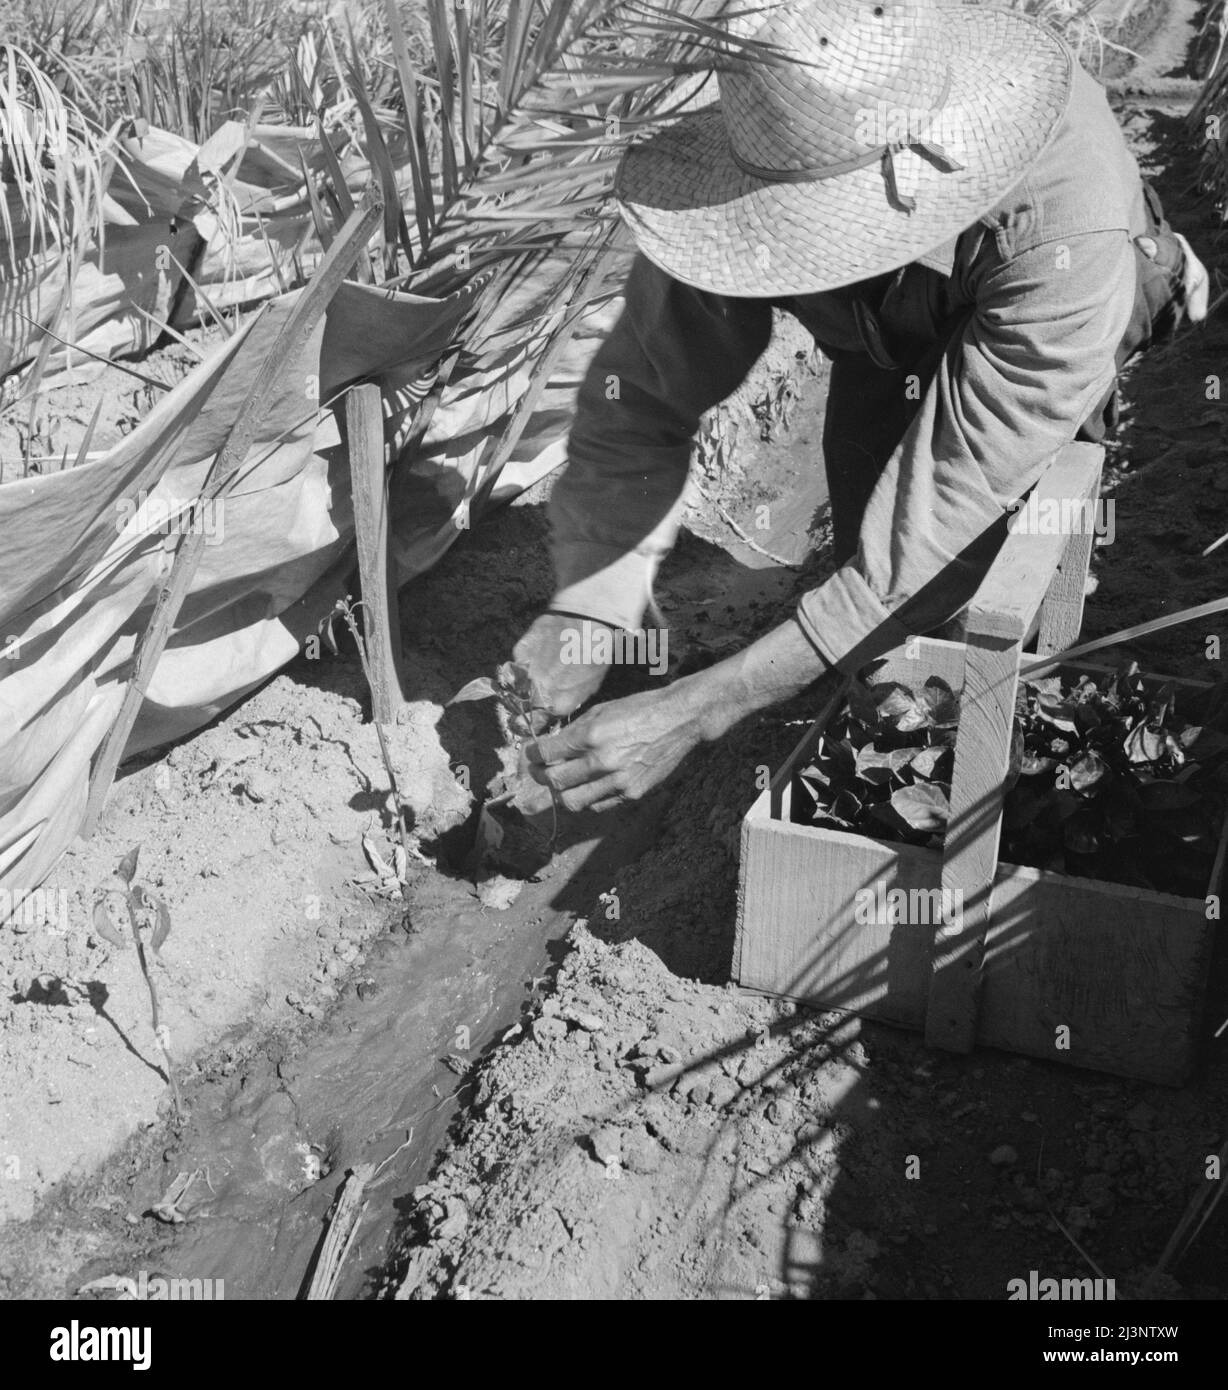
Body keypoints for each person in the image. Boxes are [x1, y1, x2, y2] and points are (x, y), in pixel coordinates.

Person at [512, 0, 1208, 814]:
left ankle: (992, 746)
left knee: (983, 579)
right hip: (891, 319)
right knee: (867, 563)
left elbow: (941, 516)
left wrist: (699, 707)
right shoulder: (767, 150)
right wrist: (592, 597)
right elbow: (649, 385)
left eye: (821, 233)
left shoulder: (1062, 236)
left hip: (1049, 295)